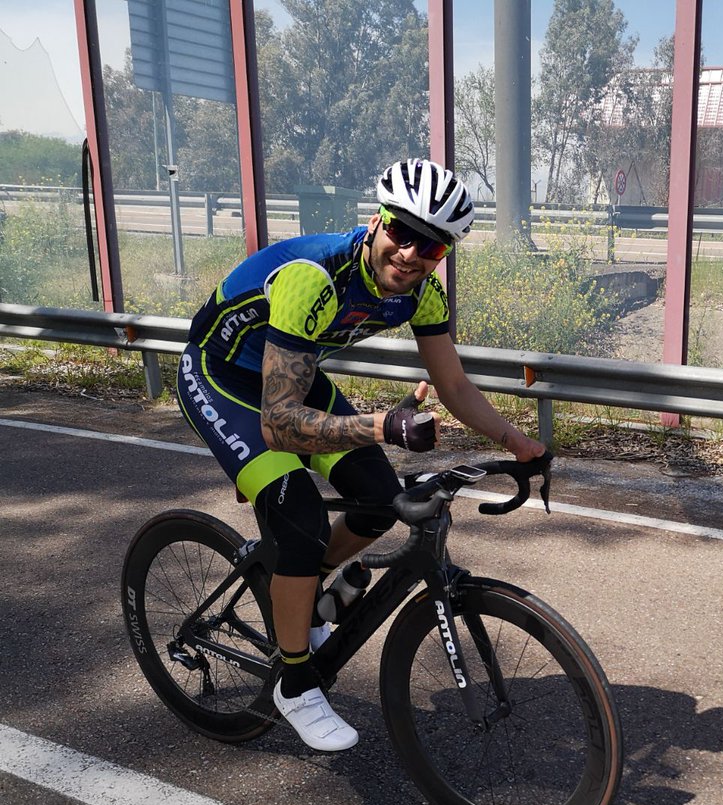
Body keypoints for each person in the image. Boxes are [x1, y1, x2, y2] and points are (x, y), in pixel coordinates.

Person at [177, 158, 544, 752]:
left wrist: (518, 443)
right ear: (378, 221)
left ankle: (306, 589)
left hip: (292, 376)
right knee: (297, 514)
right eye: (403, 233)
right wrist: (385, 424)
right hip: (223, 378)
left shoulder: (421, 295)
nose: (412, 254)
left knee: (383, 500)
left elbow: (453, 386)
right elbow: (280, 425)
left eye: (433, 248)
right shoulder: (312, 278)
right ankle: (294, 684)